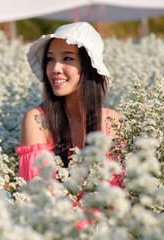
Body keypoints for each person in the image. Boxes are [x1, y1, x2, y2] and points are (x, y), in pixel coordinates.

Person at [15, 22, 122, 183]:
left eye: (67, 58)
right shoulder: (37, 120)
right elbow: (37, 196)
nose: (56, 68)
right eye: (50, 59)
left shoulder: (112, 121)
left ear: (89, 67)